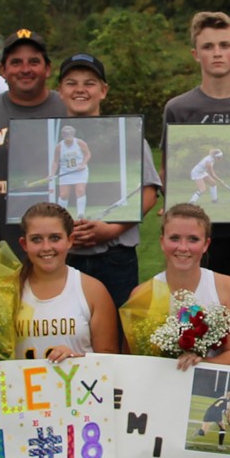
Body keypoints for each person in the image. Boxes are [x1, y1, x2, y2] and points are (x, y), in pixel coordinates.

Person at [161, 11, 230, 362]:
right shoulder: (179, 109)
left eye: (224, 45)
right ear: (195, 54)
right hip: (195, 244)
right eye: (207, 46)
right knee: (191, 331)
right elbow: (170, 174)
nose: (217, 53)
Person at [56, 52, 163, 313]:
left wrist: (112, 229)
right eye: (71, 82)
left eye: (89, 83)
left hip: (115, 257)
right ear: (60, 91)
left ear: (103, 90)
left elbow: (149, 192)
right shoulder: (43, 135)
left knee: (117, 337)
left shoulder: (127, 133)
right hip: (61, 257)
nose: (80, 89)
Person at [0, 27, 68, 242]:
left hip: (64, 248)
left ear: (48, 68)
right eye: (16, 62)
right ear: (2, 69)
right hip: (4, 245)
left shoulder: (69, 110)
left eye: (34, 62)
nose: (25, 69)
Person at [130, 202, 230, 371]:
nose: (183, 248)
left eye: (193, 239)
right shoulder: (142, 294)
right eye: (174, 238)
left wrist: (198, 362)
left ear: (206, 244)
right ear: (162, 242)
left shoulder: (227, 287)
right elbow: (134, 359)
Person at [2, 201, 120, 362]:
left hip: (77, 385)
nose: (46, 247)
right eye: (36, 239)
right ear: (24, 244)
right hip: (19, 386)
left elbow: (109, 359)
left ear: (70, 240)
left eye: (55, 238)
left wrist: (77, 359)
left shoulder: (92, 290)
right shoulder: (6, 290)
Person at [48, 122, 93, 215]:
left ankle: (81, 214)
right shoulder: (59, 147)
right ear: (63, 136)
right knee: (63, 195)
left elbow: (88, 154)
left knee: (80, 190)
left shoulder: (80, 143)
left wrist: (83, 164)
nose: (68, 138)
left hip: (80, 172)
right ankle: (61, 214)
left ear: (73, 135)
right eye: (66, 135)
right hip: (65, 172)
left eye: (70, 135)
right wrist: (52, 174)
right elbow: (56, 161)